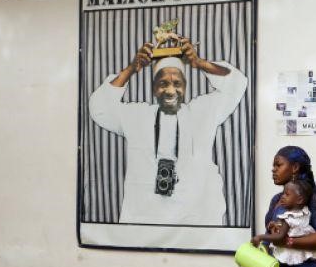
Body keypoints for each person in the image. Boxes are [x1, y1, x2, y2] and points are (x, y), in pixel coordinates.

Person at [89, 35, 247, 225]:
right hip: (146, 219)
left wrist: (199, 63)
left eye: (177, 83)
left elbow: (237, 84)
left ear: (185, 87)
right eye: (163, 83)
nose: (171, 90)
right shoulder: (137, 116)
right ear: (154, 89)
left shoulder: (202, 112)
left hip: (196, 220)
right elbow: (99, 109)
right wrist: (131, 69)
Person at [250, 179, 316, 267]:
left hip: (285, 251)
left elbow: (279, 237)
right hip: (302, 253)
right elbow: (291, 229)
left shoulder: (287, 216)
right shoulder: (306, 212)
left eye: (286, 194)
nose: (282, 197)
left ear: (299, 200)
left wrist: (261, 237)